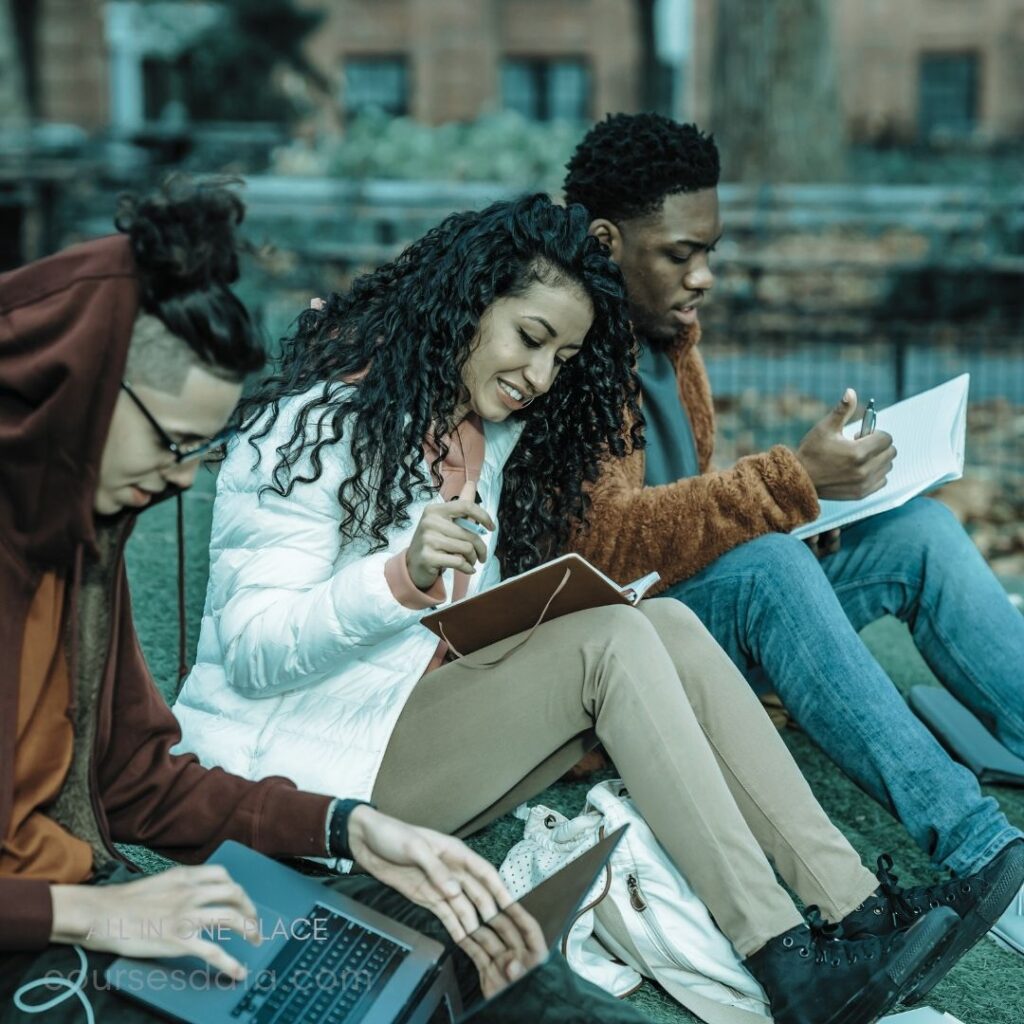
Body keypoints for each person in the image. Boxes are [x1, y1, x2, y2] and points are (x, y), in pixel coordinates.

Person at [173, 193, 976, 1024]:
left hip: (388, 732)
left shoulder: (483, 433)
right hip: (295, 780)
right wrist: (399, 576)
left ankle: (852, 908)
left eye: (563, 355)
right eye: (529, 338)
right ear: (466, 302)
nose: (540, 376)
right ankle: (783, 955)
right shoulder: (316, 421)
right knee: (612, 643)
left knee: (662, 621)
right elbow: (253, 650)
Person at [0, 180, 646, 1024]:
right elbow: (261, 649)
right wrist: (85, 914)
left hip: (86, 913)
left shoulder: (82, 554)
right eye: (172, 444)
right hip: (52, 934)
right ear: (79, 393)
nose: (186, 476)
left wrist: (345, 828)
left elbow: (133, 784)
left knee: (467, 968)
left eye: (202, 449)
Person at [561, 112, 1024, 954]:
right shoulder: (559, 353)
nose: (703, 275)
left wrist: (813, 509)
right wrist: (786, 489)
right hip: (625, 655)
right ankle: (985, 852)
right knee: (771, 565)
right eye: (679, 254)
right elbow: (601, 548)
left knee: (914, 530)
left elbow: (686, 500)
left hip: (701, 600)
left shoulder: (670, 339)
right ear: (603, 240)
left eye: (711, 250)